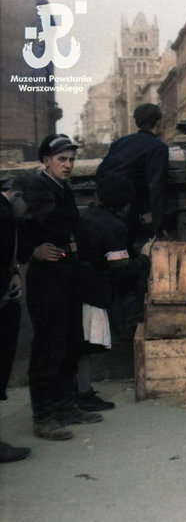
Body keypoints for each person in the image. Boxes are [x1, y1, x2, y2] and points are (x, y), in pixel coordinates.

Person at [18, 134, 104, 441]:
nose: (68, 165)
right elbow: (15, 229)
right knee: (48, 346)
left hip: (68, 270)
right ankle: (43, 417)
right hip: (46, 276)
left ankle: (67, 407)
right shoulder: (33, 188)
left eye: (70, 159)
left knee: (70, 341)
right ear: (46, 161)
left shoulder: (61, 187)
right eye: (61, 160)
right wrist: (32, 251)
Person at [75, 174, 151, 412]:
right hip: (95, 290)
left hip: (74, 285)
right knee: (86, 344)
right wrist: (145, 257)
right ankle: (83, 394)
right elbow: (121, 268)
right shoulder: (115, 227)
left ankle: (78, 391)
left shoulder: (84, 216)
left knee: (76, 343)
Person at [1, 174, 55, 462]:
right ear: (18, 196)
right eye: (30, 211)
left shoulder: (8, 216)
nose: (29, 217)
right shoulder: (4, 217)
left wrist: (12, 276)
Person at [96, 103, 169, 244]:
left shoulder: (120, 142)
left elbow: (101, 171)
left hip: (105, 207)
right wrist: (159, 227)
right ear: (158, 122)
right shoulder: (158, 147)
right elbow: (156, 188)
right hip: (128, 210)